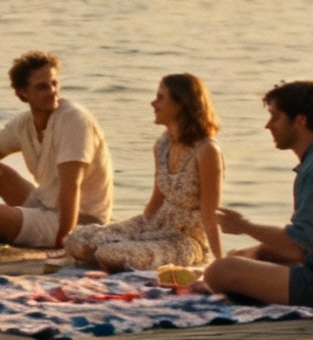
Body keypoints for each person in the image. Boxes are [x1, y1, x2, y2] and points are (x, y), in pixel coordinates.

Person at [202, 81, 313, 307]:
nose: (268, 125)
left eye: (275, 117)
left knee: (219, 271)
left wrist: (244, 226)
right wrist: (257, 252)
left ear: (300, 120)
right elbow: (309, 244)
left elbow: (298, 247)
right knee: (244, 256)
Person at [0, 51, 113, 249]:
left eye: (54, 83)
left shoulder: (74, 120)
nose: (52, 91)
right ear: (22, 93)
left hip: (79, 221)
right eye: (42, 87)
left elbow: (71, 185)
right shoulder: (24, 124)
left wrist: (65, 240)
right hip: (45, 204)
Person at [65, 73, 224, 271]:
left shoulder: (207, 151)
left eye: (160, 98)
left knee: (109, 253)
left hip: (185, 240)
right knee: (78, 240)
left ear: (181, 104)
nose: (153, 103)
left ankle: (114, 257)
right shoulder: (162, 144)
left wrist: (220, 261)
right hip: (155, 225)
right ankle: (113, 254)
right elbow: (156, 201)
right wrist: (133, 231)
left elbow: (210, 214)